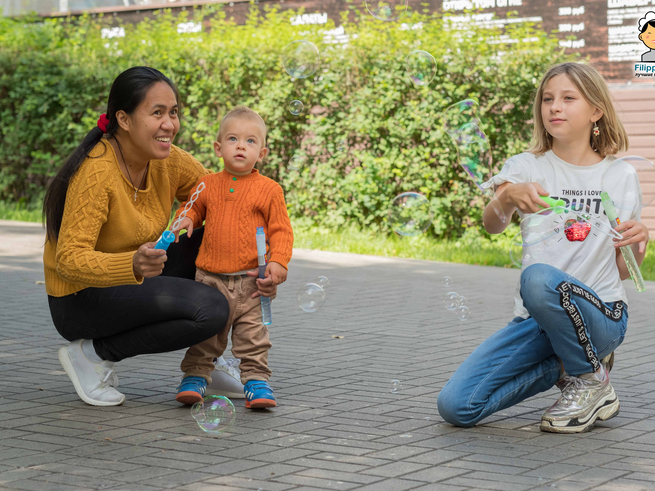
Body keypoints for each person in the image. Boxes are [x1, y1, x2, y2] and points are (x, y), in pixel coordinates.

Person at [42, 67, 277, 407]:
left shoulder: (167, 160)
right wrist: (132, 263)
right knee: (211, 308)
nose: (170, 124)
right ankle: (92, 355)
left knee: (214, 240)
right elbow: (69, 260)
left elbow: (223, 196)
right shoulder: (96, 172)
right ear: (123, 119)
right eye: (157, 113)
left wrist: (263, 262)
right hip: (80, 299)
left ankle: (207, 363)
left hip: (135, 276)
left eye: (174, 112)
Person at [437, 62, 650, 433]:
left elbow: (622, 269)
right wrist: (507, 198)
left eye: (569, 98)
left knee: (537, 278)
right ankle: (575, 367)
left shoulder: (620, 175)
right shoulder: (524, 166)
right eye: (547, 99)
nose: (554, 107)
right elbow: (492, 225)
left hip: (602, 315)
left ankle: (591, 381)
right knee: (457, 407)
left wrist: (640, 241)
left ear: (596, 110)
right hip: (535, 321)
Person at [173, 106, 293, 409]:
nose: (241, 146)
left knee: (254, 337)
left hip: (252, 282)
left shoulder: (269, 190)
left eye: (250, 141)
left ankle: (256, 382)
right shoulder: (208, 184)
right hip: (209, 279)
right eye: (233, 139)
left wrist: (278, 262)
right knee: (206, 335)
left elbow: (281, 231)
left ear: (262, 153)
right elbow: (193, 208)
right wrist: (186, 219)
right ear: (218, 147)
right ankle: (195, 377)